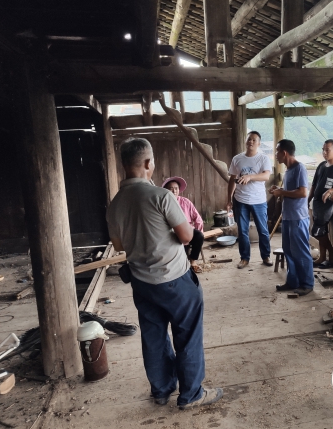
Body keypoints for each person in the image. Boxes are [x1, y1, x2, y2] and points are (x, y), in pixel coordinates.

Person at [106, 138, 222, 410]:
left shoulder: (115, 204)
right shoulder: (161, 196)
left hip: (142, 283)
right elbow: (186, 236)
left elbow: (119, 246)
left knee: (153, 337)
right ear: (148, 163)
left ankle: (161, 390)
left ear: (124, 164)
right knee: (188, 335)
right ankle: (191, 395)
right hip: (175, 280)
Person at [269, 139, 314, 296]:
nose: (276, 155)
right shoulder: (288, 170)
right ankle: (293, 281)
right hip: (288, 216)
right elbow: (292, 191)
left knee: (301, 251)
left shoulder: (299, 168)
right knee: (288, 251)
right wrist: (280, 189)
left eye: (277, 151)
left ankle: (307, 284)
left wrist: (281, 192)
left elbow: (302, 192)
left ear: (284, 152)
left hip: (298, 217)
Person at [227, 131, 273, 269]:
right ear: (245, 141)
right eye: (249, 139)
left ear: (259, 143)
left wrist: (250, 177)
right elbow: (232, 179)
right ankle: (244, 258)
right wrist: (229, 199)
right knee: (242, 231)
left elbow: (266, 176)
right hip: (240, 199)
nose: (251, 142)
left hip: (259, 200)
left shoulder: (263, 158)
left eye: (254, 140)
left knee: (263, 230)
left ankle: (266, 256)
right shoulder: (237, 159)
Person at [162, 177, 205, 274]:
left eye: (176, 188)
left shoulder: (186, 202)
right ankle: (182, 267)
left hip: (187, 232)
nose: (174, 191)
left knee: (199, 236)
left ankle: (193, 261)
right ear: (166, 190)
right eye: (170, 188)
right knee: (181, 259)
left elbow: (198, 219)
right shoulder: (164, 204)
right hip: (172, 234)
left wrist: (199, 231)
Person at [308, 139, 333, 269]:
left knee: (318, 232)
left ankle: (331, 255)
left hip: (328, 205)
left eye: (327, 150)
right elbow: (314, 184)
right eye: (323, 150)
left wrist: (331, 191)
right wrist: (308, 199)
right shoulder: (321, 165)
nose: (324, 152)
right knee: (321, 232)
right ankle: (322, 257)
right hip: (317, 203)